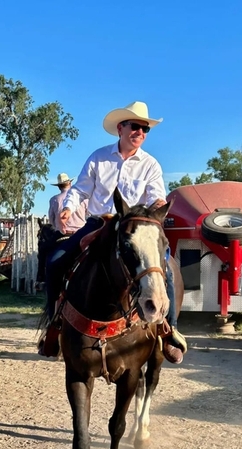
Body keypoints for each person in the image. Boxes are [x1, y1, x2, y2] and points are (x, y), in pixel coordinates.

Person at [43, 101, 187, 364]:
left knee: (165, 266)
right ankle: (55, 325)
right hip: (100, 223)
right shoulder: (98, 157)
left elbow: (156, 195)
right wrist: (68, 207)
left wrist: (157, 204)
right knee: (54, 262)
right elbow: (80, 189)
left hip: (134, 226)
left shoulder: (151, 165)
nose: (140, 133)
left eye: (145, 129)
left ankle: (169, 330)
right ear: (121, 128)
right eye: (135, 127)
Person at [36, 173, 87, 288]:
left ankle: (41, 279)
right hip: (81, 234)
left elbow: (52, 221)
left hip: (62, 234)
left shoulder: (54, 200)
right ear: (70, 183)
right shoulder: (83, 199)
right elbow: (88, 214)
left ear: (59, 186)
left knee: (43, 249)